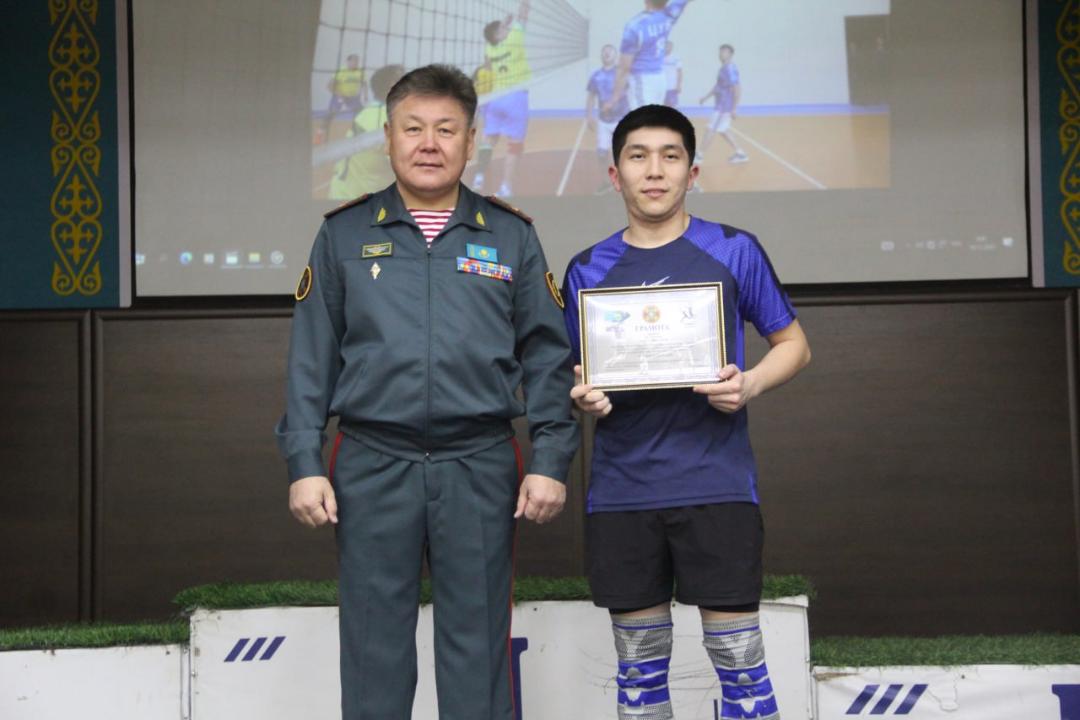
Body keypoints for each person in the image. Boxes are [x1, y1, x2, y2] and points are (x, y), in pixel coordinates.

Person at [277, 63, 579, 720]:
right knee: (373, 647)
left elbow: (548, 357)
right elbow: (311, 359)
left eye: (446, 129)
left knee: (477, 645)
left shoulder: (511, 235)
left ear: (471, 142)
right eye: (413, 128)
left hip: (479, 461)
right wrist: (304, 462)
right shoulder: (344, 234)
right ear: (388, 137)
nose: (429, 144)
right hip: (371, 461)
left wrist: (552, 459)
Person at [561, 104, 810, 720]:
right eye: (638, 156)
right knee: (639, 680)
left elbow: (794, 346)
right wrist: (585, 395)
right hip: (622, 493)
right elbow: (576, 375)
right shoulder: (587, 269)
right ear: (615, 174)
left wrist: (749, 384)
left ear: (691, 173)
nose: (655, 170)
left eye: (670, 157)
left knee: (742, 672)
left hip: (717, 486)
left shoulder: (733, 249)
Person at [473, 0, 532, 197]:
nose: (506, 29)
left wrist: (504, 24)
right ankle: (506, 187)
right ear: (499, 34)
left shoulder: (490, 49)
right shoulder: (514, 38)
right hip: (515, 98)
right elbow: (524, 14)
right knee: (514, 145)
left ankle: (479, 177)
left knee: (488, 140)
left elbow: (487, 70)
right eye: (503, 28)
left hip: (495, 99)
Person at [328, 64, 404, 201]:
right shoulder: (385, 118)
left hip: (348, 192)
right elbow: (408, 170)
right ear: (392, 87)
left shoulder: (373, 111)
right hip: (355, 200)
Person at [604, 0, 693, 115]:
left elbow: (624, 67)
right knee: (652, 119)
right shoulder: (668, 16)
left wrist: (614, 98)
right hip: (660, 78)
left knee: (643, 121)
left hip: (642, 81)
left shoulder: (635, 26)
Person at [585, 44, 630, 194]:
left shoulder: (621, 74)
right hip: (604, 121)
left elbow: (625, 92)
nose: (607, 54)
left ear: (615, 55)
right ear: (601, 56)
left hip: (621, 120)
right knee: (602, 154)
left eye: (610, 52)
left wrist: (612, 103)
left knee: (623, 153)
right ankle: (606, 182)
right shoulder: (596, 76)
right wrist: (589, 115)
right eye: (604, 52)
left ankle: (626, 181)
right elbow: (591, 97)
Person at [698, 44, 748, 164]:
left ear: (730, 54)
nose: (721, 54)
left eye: (724, 52)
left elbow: (737, 88)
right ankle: (740, 153)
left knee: (710, 129)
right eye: (720, 52)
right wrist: (705, 97)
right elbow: (718, 86)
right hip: (720, 104)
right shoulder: (723, 68)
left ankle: (699, 155)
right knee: (723, 129)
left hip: (724, 107)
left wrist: (734, 108)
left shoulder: (730, 69)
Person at [322, 54, 367, 142]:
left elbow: (364, 84)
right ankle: (321, 132)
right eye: (353, 61)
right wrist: (339, 95)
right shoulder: (341, 71)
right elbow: (329, 86)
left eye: (357, 61)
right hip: (339, 97)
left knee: (360, 114)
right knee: (330, 114)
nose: (356, 63)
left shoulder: (360, 71)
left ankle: (356, 134)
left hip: (353, 98)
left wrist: (365, 95)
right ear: (348, 62)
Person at [662, 41, 682, 107]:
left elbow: (679, 72)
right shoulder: (659, 58)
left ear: (672, 47)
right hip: (661, 86)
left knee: (672, 105)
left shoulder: (676, 58)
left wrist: (679, 85)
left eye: (669, 46)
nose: (667, 48)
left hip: (672, 86)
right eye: (666, 46)